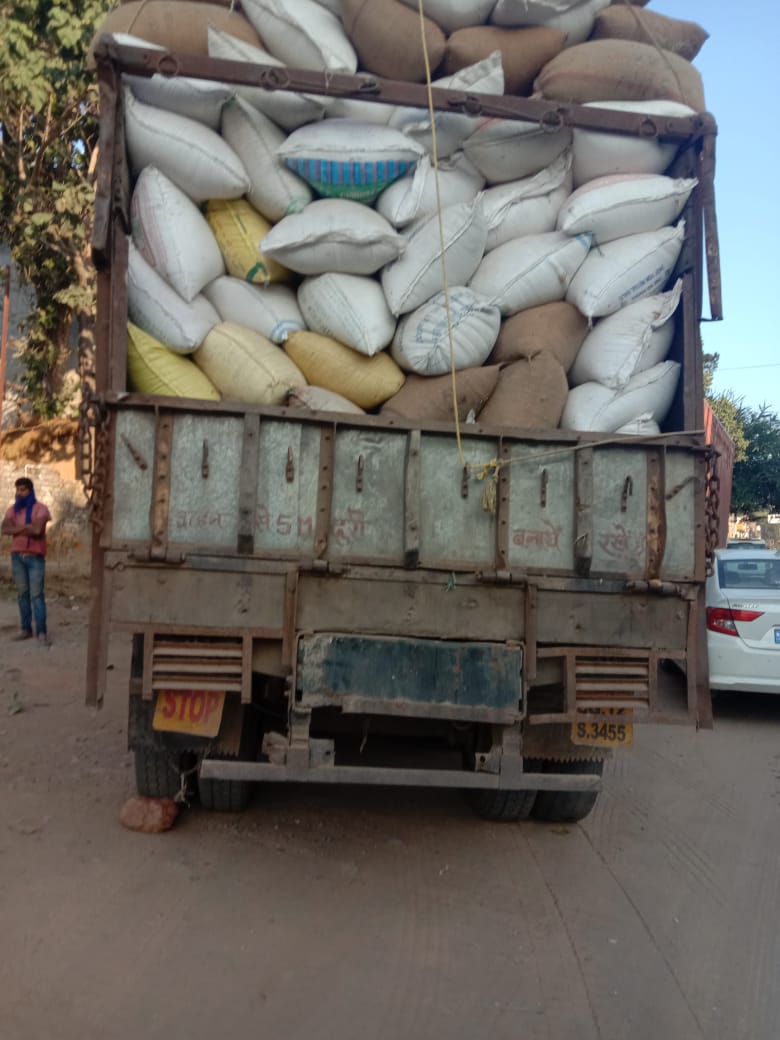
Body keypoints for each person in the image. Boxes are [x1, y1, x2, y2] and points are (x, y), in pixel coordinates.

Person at [2, 477, 52, 645]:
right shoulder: (13, 510)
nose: (20, 493)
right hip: (18, 557)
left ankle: (41, 632)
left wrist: (17, 529)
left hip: (35, 558)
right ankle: (26, 629)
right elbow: (4, 529)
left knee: (36, 595)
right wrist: (26, 527)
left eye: (23, 490)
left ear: (30, 491)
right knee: (22, 595)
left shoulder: (41, 509)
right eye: (18, 490)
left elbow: (38, 530)